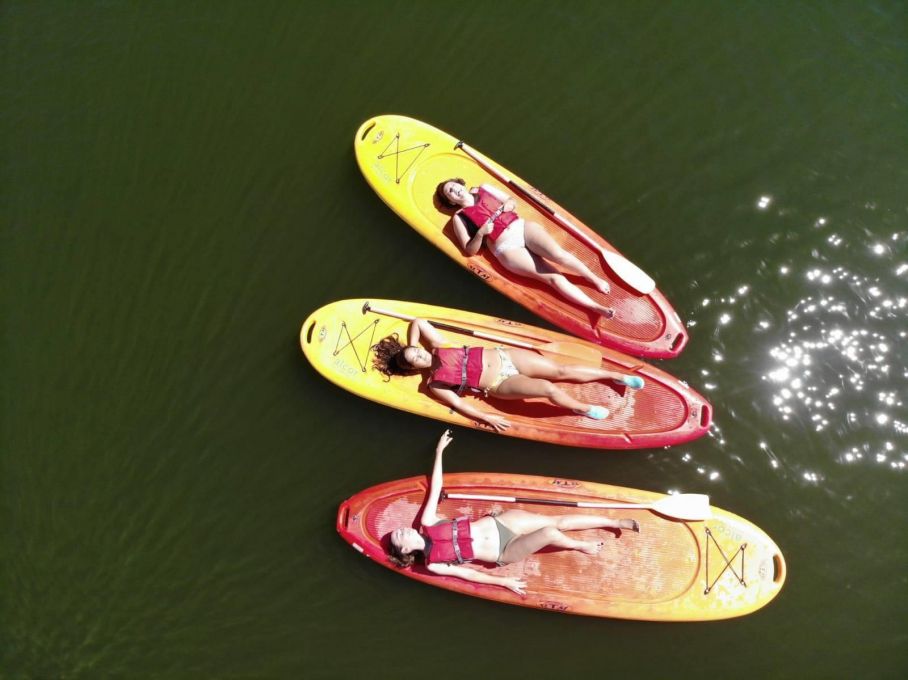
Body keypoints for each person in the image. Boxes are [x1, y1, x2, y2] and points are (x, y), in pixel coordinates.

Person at [388, 430, 641, 594]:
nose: (399, 530)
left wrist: (439, 452)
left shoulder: (428, 521)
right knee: (551, 532)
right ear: (406, 551)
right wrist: (503, 582)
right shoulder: (434, 564)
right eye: (398, 537)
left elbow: (437, 486)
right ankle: (579, 546)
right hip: (504, 550)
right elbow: (467, 573)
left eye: (397, 531)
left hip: (501, 524)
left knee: (558, 521)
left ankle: (614, 521)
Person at [372, 318, 645, 432]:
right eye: (413, 361)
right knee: (549, 389)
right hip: (500, 383)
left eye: (415, 352)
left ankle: (615, 376)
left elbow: (418, 322)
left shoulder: (440, 345)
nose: (419, 356)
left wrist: (410, 343)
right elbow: (459, 404)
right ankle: (583, 409)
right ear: (412, 370)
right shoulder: (435, 383)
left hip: (506, 356)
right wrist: (486, 417)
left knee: (562, 371)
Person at [436, 178, 615, 320]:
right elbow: (470, 250)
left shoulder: (484, 188)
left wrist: (509, 204)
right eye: (449, 192)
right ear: (451, 201)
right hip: (506, 249)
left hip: (521, 227)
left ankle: (593, 278)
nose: (454, 190)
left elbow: (511, 200)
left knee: (559, 255)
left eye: (453, 185)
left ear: (461, 184)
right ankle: (595, 307)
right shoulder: (459, 218)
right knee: (553, 278)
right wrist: (481, 234)